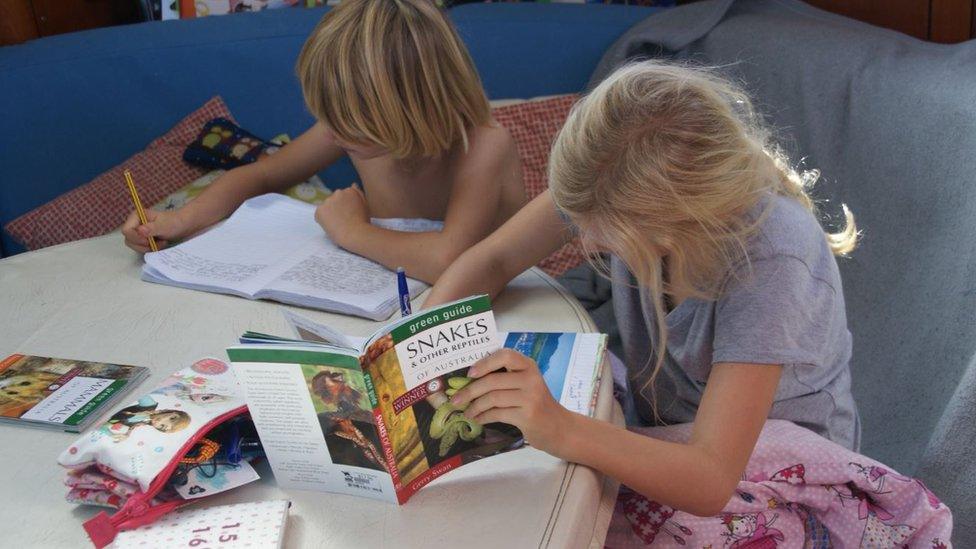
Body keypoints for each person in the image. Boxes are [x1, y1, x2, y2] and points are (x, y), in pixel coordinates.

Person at [425, 60, 863, 516]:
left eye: (604, 232)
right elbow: (494, 259)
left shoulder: (771, 261)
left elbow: (710, 480)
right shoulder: (608, 173)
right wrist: (425, 342)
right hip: (666, 432)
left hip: (783, 478)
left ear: (673, 224)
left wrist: (559, 428)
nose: (587, 241)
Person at [122, 0, 524, 284]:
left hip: (497, 312)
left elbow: (449, 260)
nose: (334, 132)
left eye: (349, 120)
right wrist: (179, 221)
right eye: (329, 116)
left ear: (412, 106)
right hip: (395, 303)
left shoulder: (484, 147)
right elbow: (260, 176)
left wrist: (350, 231)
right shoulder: (350, 131)